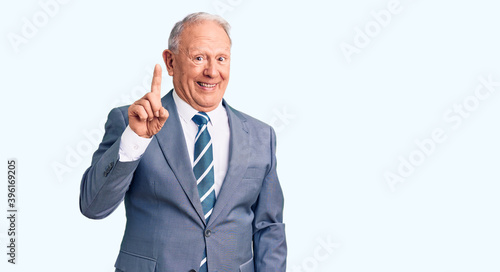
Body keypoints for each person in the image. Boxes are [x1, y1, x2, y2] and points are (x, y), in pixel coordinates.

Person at [79, 12, 286, 272]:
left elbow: (269, 227)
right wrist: (135, 140)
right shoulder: (130, 122)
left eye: (221, 59)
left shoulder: (260, 136)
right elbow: (93, 206)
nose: (212, 72)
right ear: (171, 62)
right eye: (199, 58)